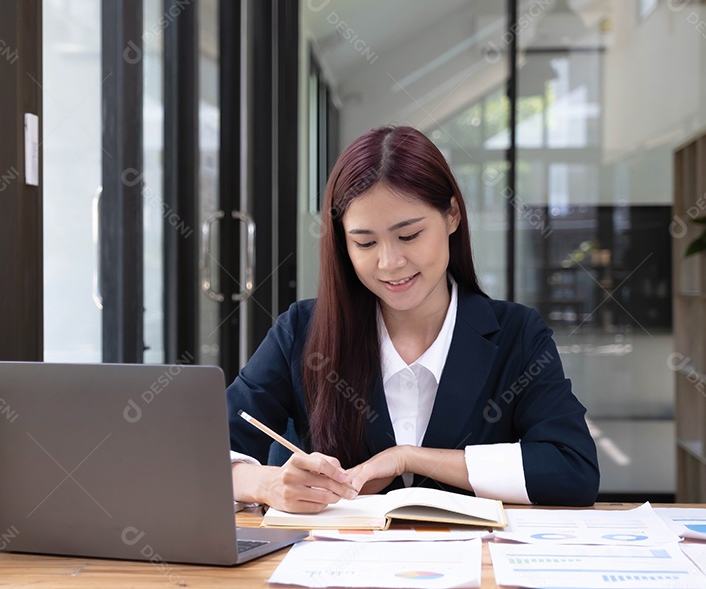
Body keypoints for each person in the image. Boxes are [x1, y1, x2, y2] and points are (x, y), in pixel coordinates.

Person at [228, 125, 599, 514]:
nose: (390, 263)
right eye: (365, 243)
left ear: (452, 215)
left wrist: (411, 457)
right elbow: (203, 452)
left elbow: (572, 470)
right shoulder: (302, 331)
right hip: (338, 571)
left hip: (476, 570)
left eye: (409, 236)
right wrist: (268, 484)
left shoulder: (518, 335)